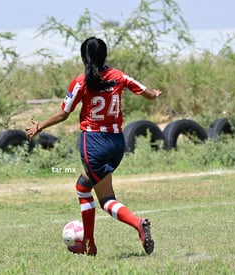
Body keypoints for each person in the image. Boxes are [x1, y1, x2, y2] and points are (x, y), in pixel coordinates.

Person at [25, 36, 162, 256]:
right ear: (105, 55)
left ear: (83, 58)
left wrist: (39, 126)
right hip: (117, 143)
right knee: (84, 187)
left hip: (94, 144)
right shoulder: (119, 76)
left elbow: (63, 114)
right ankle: (92, 242)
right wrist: (154, 94)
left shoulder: (81, 82)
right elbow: (147, 93)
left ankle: (123, 230)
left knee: (105, 199)